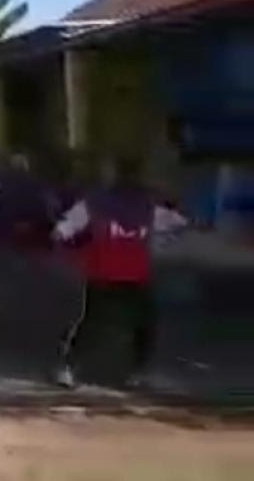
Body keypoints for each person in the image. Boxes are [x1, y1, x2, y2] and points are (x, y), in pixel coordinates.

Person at [52, 157, 187, 390]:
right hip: (131, 275)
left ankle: (69, 368)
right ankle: (135, 372)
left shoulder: (96, 203)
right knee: (141, 325)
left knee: (94, 323)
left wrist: (70, 244)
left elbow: (62, 231)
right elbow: (179, 223)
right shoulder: (147, 207)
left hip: (105, 274)